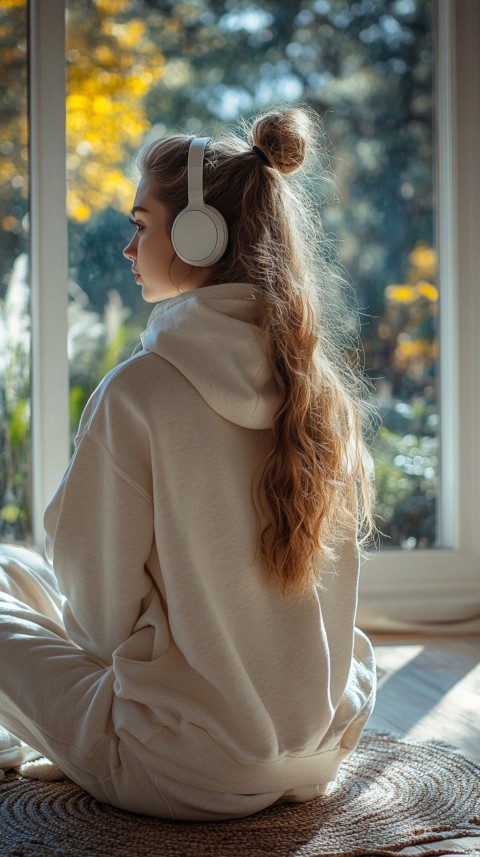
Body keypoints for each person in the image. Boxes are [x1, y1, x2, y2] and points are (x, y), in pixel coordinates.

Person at [0, 105, 378, 821]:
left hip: (181, 767)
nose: (127, 247)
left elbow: (100, 626)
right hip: (317, 752)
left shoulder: (139, 391)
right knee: (23, 572)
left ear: (198, 235)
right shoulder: (321, 394)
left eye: (140, 225)